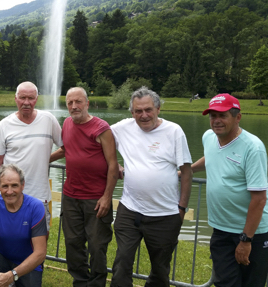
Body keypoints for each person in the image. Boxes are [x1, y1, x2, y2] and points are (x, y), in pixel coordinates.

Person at [110, 86, 193, 287]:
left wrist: (181, 209)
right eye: (138, 111)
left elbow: (187, 172)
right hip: (129, 211)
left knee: (160, 269)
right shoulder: (121, 128)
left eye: (148, 110)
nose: (144, 115)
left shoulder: (174, 131)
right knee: (121, 263)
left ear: (158, 109)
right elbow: (97, 142)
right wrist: (114, 163)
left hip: (165, 215)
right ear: (132, 113)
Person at [190, 94, 268, 287]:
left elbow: (259, 199)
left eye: (223, 116)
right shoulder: (209, 137)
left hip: (252, 233)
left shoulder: (253, 148)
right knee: (225, 282)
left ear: (237, 117)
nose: (216, 121)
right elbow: (212, 156)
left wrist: (246, 240)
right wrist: (187, 170)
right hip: (221, 228)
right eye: (212, 115)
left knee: (251, 284)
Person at [50, 87, 118, 287]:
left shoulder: (101, 128)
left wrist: (107, 197)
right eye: (70, 103)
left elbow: (113, 164)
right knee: (73, 243)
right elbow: (65, 150)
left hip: (96, 198)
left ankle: (96, 284)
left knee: (97, 246)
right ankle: (80, 282)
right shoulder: (68, 123)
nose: (73, 106)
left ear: (87, 103)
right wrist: (41, 159)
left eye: (78, 102)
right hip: (71, 196)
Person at [0, 81, 62, 234]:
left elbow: (66, 148)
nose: (26, 102)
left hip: (39, 195)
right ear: (15, 99)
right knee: (7, 238)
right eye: (22, 98)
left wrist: (45, 159)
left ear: (36, 99)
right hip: (9, 195)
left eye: (31, 98)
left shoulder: (48, 120)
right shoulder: (5, 124)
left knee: (39, 242)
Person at [0, 164, 47, 287]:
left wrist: (11, 276)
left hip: (28, 261)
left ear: (22, 185)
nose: (9, 191)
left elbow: (40, 253)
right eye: (5, 186)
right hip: (1, 256)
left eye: (14, 185)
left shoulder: (35, 206)